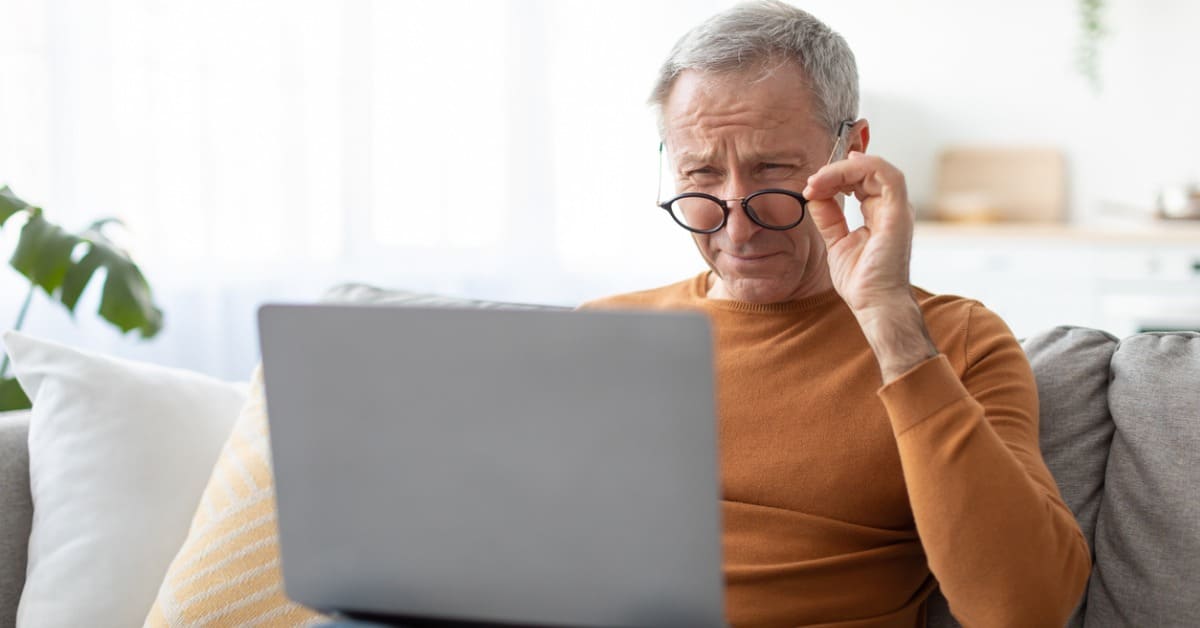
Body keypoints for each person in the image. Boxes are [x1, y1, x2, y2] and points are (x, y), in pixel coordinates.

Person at [581, 2, 1091, 626]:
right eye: (701, 174)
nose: (737, 225)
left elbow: (1024, 608)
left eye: (773, 168)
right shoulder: (598, 333)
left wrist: (889, 321)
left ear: (852, 150)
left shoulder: (957, 341)